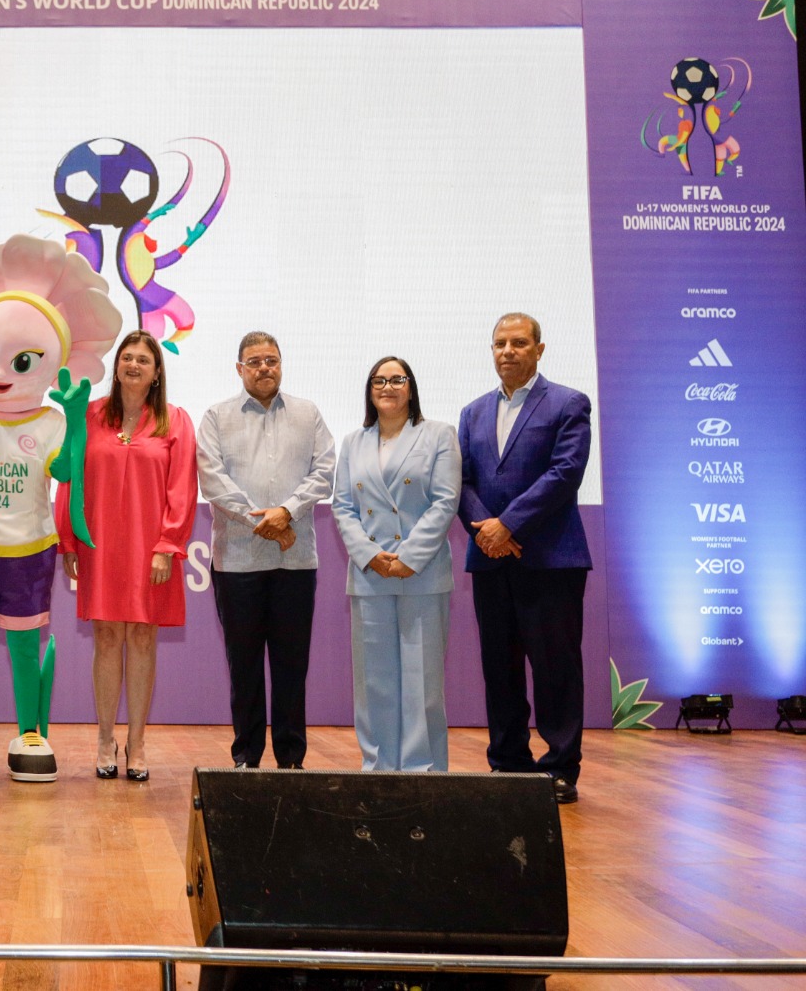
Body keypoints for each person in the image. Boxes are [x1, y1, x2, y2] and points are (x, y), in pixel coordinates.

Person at [0, 234, 123, 783]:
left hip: (29, 551)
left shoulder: (50, 422)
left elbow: (66, 472)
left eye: (21, 360)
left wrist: (75, 419)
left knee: (25, 644)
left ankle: (30, 733)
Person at [458, 312, 592, 804]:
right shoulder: (472, 412)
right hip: (491, 559)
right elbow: (461, 481)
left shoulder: (568, 403)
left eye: (518, 343)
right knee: (500, 668)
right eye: (500, 343)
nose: (507, 351)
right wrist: (487, 531)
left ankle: (559, 767)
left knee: (556, 668)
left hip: (551, 560)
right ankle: (508, 763)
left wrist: (508, 525)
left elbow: (565, 473)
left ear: (539, 349)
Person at [57, 331, 196, 781]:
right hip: (99, 544)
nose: (134, 365)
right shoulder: (89, 414)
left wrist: (167, 546)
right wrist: (68, 539)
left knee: (141, 638)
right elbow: (69, 476)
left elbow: (182, 488)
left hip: (150, 548)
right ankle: (105, 739)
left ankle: (136, 742)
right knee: (106, 637)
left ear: (156, 373)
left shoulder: (176, 421)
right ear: (116, 367)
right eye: (127, 357)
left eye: (144, 360)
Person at [197, 331, 335, 770]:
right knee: (244, 667)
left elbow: (325, 472)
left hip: (296, 562)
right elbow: (212, 480)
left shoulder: (308, 414)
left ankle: (291, 760)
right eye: (254, 361)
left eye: (271, 360)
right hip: (237, 562)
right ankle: (246, 758)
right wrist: (268, 524)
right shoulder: (216, 417)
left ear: (281, 364)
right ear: (239, 369)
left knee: (292, 666)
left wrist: (287, 512)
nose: (264, 368)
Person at [331, 357, 462, 772]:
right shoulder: (353, 442)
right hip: (371, 574)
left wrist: (409, 557)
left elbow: (445, 501)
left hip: (422, 572)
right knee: (374, 682)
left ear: (411, 387)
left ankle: (424, 772)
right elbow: (342, 506)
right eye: (379, 380)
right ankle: (378, 770)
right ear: (369, 390)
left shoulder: (438, 435)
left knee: (423, 684)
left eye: (397, 379)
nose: (388, 387)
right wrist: (370, 555)